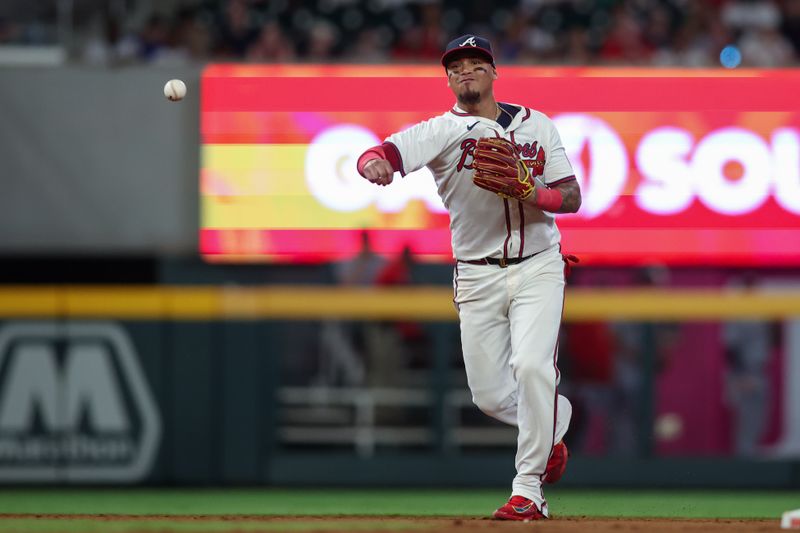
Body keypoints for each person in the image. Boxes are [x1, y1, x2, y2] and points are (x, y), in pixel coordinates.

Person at [356, 34, 581, 521]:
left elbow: (571, 196)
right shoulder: (440, 130)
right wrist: (373, 164)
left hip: (539, 263)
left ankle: (528, 491)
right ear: (448, 78)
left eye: (476, 63)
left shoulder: (536, 124)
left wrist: (535, 193)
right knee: (489, 395)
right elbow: (386, 152)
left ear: (494, 72)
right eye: (456, 66)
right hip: (476, 274)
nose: (465, 71)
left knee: (532, 366)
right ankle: (553, 422)